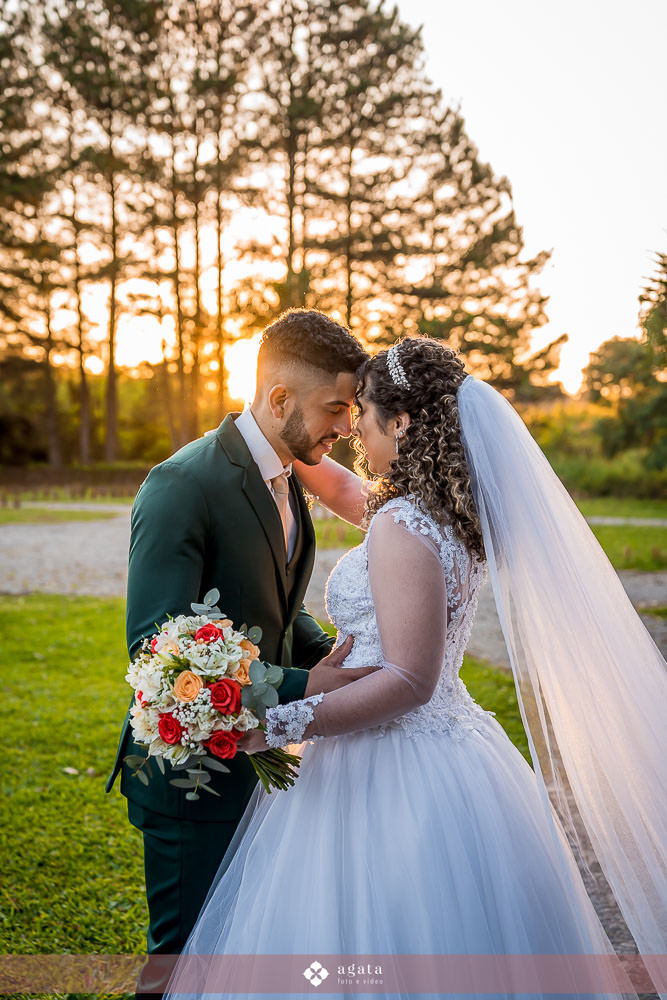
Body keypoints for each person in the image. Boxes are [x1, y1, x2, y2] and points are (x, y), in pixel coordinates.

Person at [162, 337, 666, 1000]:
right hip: (457, 753)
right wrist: (258, 435)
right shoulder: (449, 514)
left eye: (361, 415)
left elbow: (407, 681)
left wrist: (274, 723)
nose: (351, 432)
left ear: (400, 423)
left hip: (388, 758)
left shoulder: (403, 522)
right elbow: (346, 495)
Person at [104, 308, 373, 997]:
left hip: (256, 759)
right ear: (278, 399)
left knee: (236, 960)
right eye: (334, 408)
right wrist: (301, 683)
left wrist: (337, 653)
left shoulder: (286, 474)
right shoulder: (182, 484)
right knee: (181, 963)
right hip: (189, 774)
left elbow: (271, 612)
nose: (345, 427)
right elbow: (157, 646)